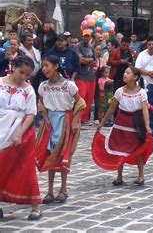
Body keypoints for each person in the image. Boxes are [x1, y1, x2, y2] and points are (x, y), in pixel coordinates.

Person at [36, 55, 86, 204]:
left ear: (56, 66)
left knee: (64, 155)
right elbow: (42, 104)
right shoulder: (43, 86)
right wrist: (45, 118)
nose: (44, 69)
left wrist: (76, 120)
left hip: (65, 121)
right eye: (43, 66)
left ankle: (63, 189)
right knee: (50, 154)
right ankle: (50, 190)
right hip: (50, 123)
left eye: (47, 65)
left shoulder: (68, 85)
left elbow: (80, 102)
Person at [93, 66, 153, 186]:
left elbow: (145, 110)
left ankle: (141, 175)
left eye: (128, 73)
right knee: (119, 149)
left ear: (135, 77)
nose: (124, 74)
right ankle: (119, 176)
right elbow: (112, 108)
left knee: (138, 149)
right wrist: (102, 122)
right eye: (125, 72)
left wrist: (147, 125)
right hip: (121, 124)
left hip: (135, 124)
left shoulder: (141, 93)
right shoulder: (120, 91)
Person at [0, 56, 42, 220]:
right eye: (21, 72)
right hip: (1, 125)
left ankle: (35, 206)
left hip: (20, 130)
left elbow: (31, 113)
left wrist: (19, 133)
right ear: (13, 67)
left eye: (27, 75)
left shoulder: (28, 90)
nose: (23, 77)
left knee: (25, 168)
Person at [74, 29, 96, 124]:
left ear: (90, 37)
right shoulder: (78, 47)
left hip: (91, 76)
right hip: (81, 76)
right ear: (82, 36)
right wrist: (89, 60)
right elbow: (80, 60)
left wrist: (87, 61)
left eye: (88, 36)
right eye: (85, 36)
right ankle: (78, 117)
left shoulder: (92, 48)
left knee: (89, 98)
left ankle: (85, 118)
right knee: (81, 97)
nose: (86, 38)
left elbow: (95, 62)